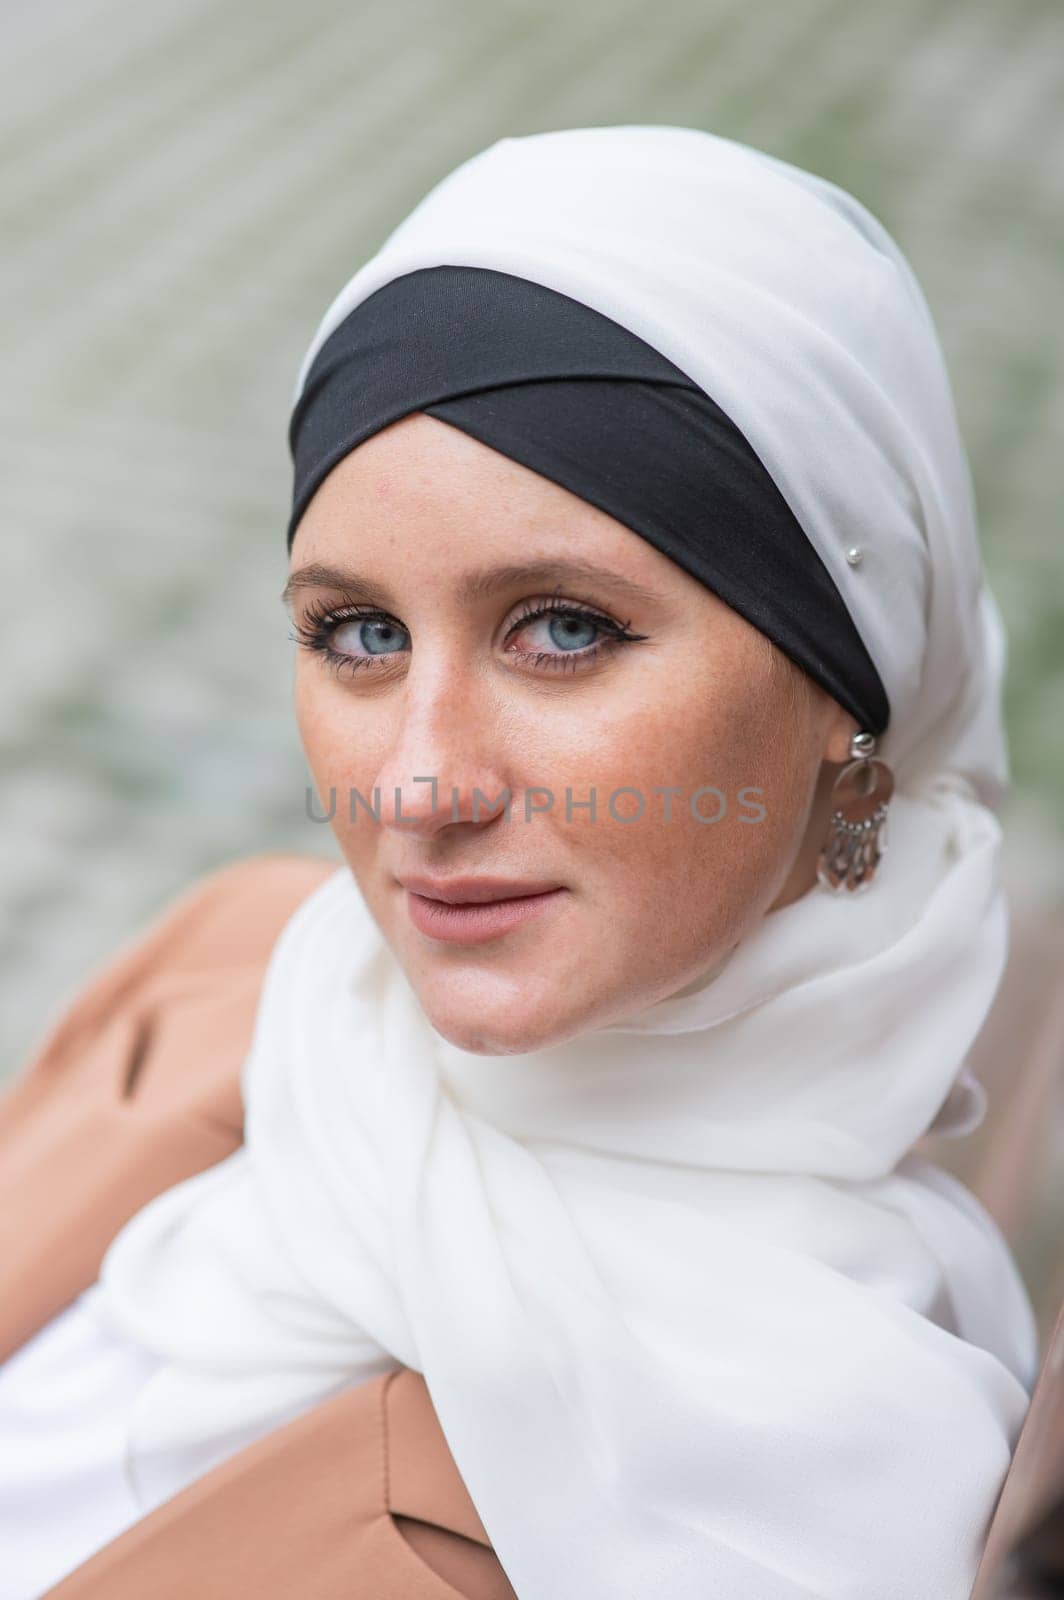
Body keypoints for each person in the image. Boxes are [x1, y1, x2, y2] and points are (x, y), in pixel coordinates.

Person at [0, 124, 1039, 1599]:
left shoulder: (796, 1485)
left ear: (842, 693)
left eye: (563, 628)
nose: (417, 787)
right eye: (357, 632)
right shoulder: (234, 966)